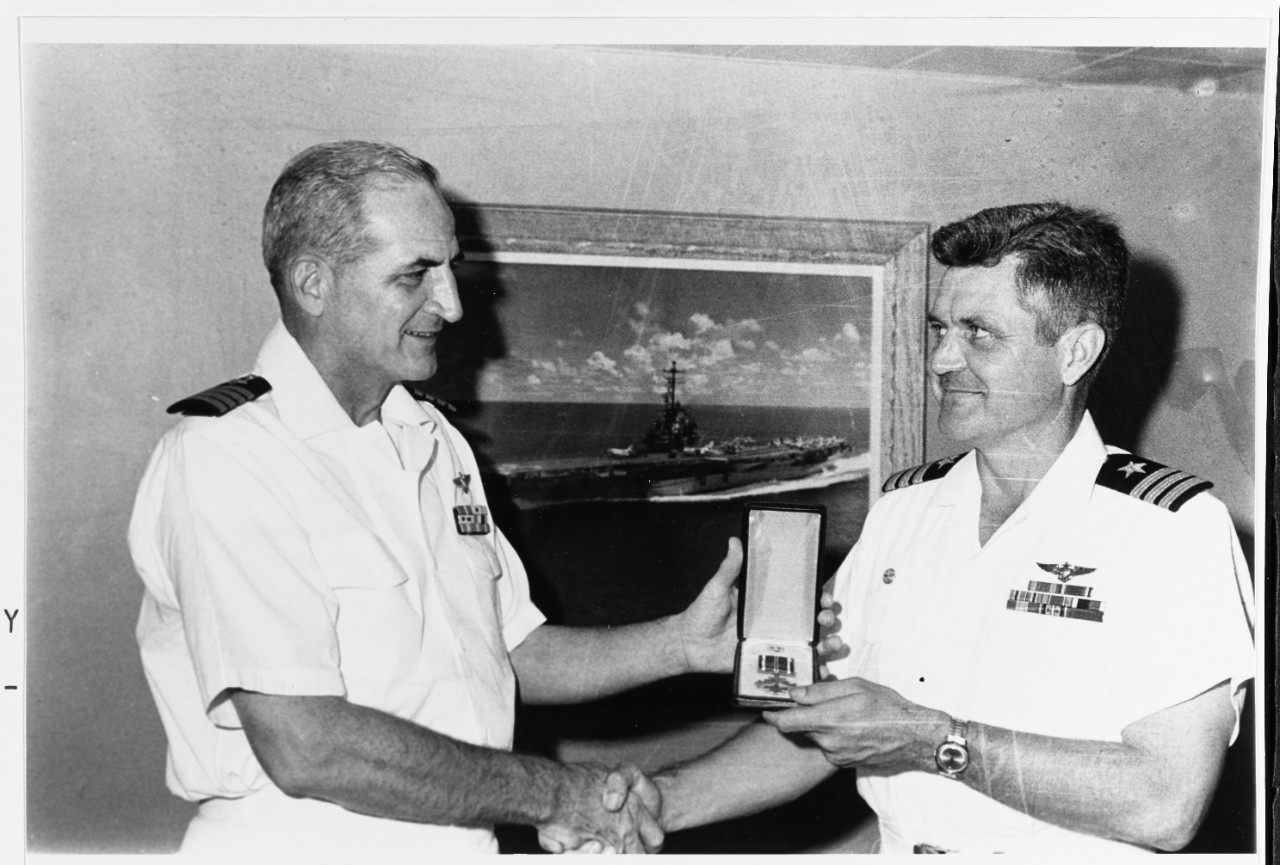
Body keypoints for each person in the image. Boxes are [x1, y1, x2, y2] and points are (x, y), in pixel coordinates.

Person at [128, 140, 746, 859]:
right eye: (415, 274)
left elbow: (503, 650)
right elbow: (305, 745)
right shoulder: (229, 456)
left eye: (452, 268)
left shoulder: (432, 437)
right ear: (312, 282)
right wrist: (553, 793)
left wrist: (679, 643)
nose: (450, 305)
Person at [631, 202, 1256, 855]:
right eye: (938, 328)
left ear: (1076, 352)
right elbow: (830, 730)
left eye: (979, 333)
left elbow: (1165, 803)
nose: (941, 359)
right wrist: (658, 804)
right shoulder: (905, 511)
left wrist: (933, 739)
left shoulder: (1169, 531)